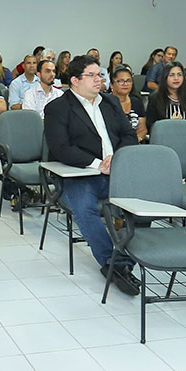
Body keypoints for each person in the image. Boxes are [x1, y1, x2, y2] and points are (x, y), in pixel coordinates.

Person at [43, 55, 141, 295]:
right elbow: (61, 148)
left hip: (116, 172)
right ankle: (115, 263)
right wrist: (98, 164)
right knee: (85, 208)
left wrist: (116, 158)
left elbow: (129, 135)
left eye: (100, 75)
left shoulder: (110, 103)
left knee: (142, 200)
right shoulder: (57, 108)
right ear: (75, 80)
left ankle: (134, 252)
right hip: (79, 174)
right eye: (93, 75)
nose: (99, 79)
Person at [109, 66, 146, 140]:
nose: (125, 84)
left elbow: (142, 129)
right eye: (121, 81)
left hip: (134, 144)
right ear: (111, 85)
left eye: (128, 81)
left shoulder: (136, 102)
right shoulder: (105, 103)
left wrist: (137, 138)